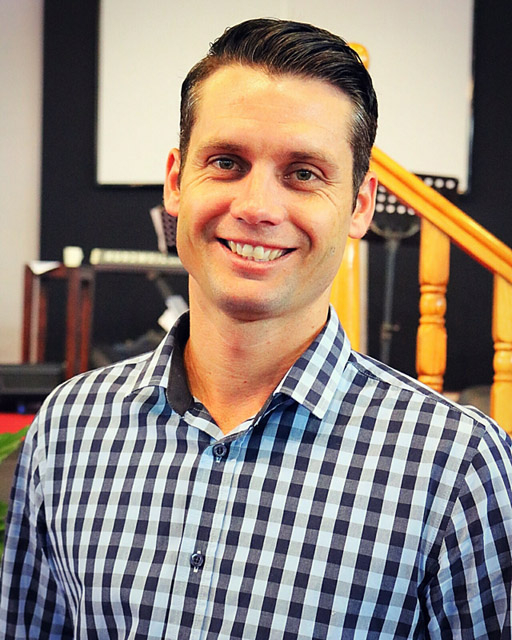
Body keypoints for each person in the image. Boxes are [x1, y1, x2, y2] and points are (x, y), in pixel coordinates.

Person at [1, 17, 511, 639]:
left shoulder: (457, 467)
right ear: (176, 182)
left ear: (358, 206)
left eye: (304, 173)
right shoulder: (69, 428)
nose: (257, 208)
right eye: (226, 162)